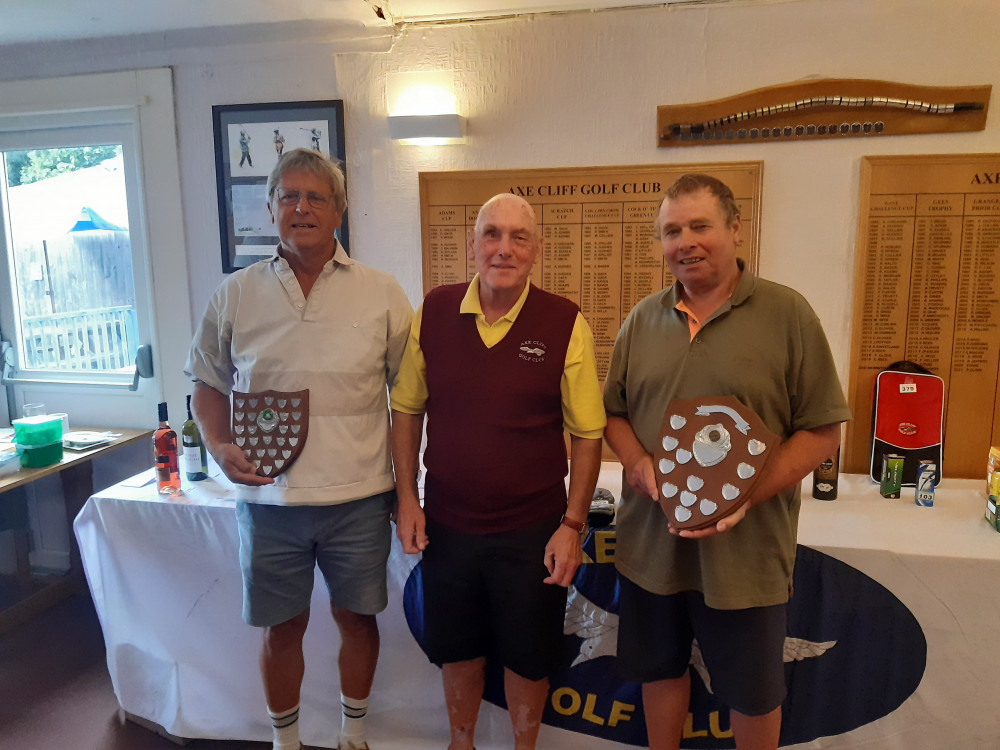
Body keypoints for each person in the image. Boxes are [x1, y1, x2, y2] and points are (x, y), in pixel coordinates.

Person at [602, 174, 851, 750]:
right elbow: (613, 414)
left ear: (737, 230)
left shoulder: (789, 314)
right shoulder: (642, 319)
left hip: (746, 556)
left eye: (699, 226)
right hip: (650, 549)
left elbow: (822, 432)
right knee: (660, 673)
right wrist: (638, 464)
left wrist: (743, 497)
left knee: (752, 693)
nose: (684, 241)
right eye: (670, 231)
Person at [185, 148, 413, 750]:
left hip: (360, 495)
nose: (302, 207)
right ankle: (287, 743)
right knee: (281, 628)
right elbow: (207, 386)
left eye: (316, 197)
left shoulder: (383, 292)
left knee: (357, 620)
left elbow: (408, 398)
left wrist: (407, 491)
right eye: (289, 196)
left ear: (339, 209)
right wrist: (219, 442)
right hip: (268, 498)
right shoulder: (234, 295)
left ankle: (353, 736)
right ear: (269, 209)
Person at [390, 193, 606, 750]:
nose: (503, 249)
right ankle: (461, 742)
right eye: (492, 234)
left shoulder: (564, 322)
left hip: (533, 530)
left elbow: (587, 432)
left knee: (529, 658)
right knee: (458, 649)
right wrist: (407, 500)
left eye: (518, 238)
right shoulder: (434, 312)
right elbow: (407, 409)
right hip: (447, 525)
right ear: (472, 244)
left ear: (536, 251)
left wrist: (573, 523)